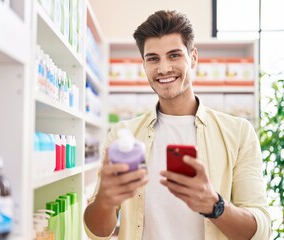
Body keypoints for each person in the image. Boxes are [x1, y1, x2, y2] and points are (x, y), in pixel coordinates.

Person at [83, 10, 271, 240]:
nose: (163, 68)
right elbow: (97, 233)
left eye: (174, 55)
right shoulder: (124, 135)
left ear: (193, 57)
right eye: (153, 58)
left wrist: (215, 205)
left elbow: (260, 230)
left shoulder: (238, 133)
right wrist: (105, 200)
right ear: (143, 64)